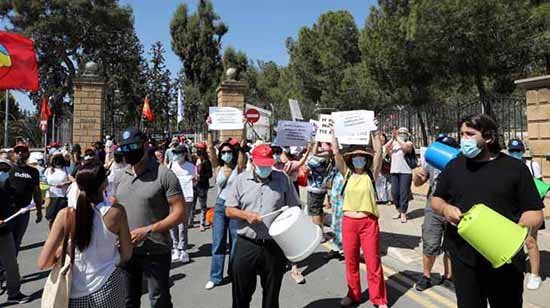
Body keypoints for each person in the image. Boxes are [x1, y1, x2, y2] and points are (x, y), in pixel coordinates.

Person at [432, 114, 544, 308]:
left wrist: (512, 232)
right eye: (461, 134)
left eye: (469, 134)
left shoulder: (515, 168)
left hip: (505, 260)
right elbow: (436, 199)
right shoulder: (454, 166)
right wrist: (445, 208)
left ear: (489, 138)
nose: (463, 139)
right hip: (464, 259)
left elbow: (535, 213)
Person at [38, 163, 133, 308]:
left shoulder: (65, 215)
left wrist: (61, 252)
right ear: (104, 184)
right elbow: (126, 254)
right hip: (109, 285)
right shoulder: (116, 213)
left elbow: (43, 262)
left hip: (75, 291)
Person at [114, 128, 187, 308]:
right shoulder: (120, 176)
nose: (128, 151)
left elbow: (179, 213)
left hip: (156, 250)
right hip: (127, 251)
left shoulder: (164, 175)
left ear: (146, 145)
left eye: (133, 146)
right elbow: (115, 208)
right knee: (128, 300)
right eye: (124, 148)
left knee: (158, 300)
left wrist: (148, 230)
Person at [225, 144, 301, 308]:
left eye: (268, 165)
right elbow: (229, 210)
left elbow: (295, 209)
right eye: (261, 166)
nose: (265, 169)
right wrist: (246, 215)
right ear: (252, 162)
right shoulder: (240, 180)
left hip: (273, 246)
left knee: (271, 295)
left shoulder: (282, 179)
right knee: (241, 294)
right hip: (247, 244)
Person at [332, 133, 388, 308]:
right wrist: (334, 133)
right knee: (351, 260)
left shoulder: (372, 175)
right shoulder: (346, 174)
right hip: (349, 222)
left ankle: (379, 299)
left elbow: (379, 152)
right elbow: (336, 153)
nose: (358, 159)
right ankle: (353, 294)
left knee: (373, 262)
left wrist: (374, 133)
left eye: (361, 157)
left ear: (366, 159)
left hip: (368, 222)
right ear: (351, 159)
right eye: (355, 157)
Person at [413, 134, 458, 291]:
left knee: (452, 245)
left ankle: (448, 277)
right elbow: (419, 182)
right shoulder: (431, 163)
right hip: (433, 207)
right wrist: (416, 176)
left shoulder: (460, 163)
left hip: (453, 206)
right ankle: (426, 276)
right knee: (430, 243)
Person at [204, 130, 247, 290]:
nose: (226, 154)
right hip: (221, 207)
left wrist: (243, 126)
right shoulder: (218, 167)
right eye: (223, 152)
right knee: (218, 242)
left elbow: (242, 149)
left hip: (235, 207)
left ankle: (234, 273)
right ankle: (215, 277)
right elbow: (210, 150)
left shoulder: (239, 167)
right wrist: (209, 130)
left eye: (229, 152)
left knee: (236, 242)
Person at [507, 138, 544, 290]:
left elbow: (540, 187)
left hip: (529, 209)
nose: (515, 153)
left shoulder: (532, 165)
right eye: (512, 151)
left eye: (518, 150)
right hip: (511, 208)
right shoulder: (505, 166)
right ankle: (514, 268)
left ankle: (535, 275)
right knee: (511, 241)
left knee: (530, 241)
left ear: (523, 151)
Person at [0, 159, 31, 304]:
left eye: (5, 170)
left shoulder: (7, 189)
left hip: (5, 231)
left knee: (11, 264)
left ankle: (14, 293)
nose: (2, 173)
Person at [6, 141, 42, 252]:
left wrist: (39, 210)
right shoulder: (7, 169)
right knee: (5, 240)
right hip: (7, 211)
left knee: (17, 241)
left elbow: (37, 192)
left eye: (23, 151)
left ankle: (11, 267)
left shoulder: (33, 172)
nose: (20, 153)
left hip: (23, 212)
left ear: (28, 154)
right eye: (18, 151)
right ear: (14, 154)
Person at [168, 144, 197, 264]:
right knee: (172, 223)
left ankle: (183, 248)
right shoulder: (171, 165)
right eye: (176, 153)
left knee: (183, 225)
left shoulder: (191, 166)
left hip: (187, 197)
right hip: (173, 198)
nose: (177, 156)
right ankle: (174, 247)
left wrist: (194, 181)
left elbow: (195, 182)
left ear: (185, 154)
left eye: (179, 153)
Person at [385, 127, 414, 223]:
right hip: (394, 171)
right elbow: (386, 149)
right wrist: (392, 139)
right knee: (394, 192)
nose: (401, 134)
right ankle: (398, 209)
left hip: (406, 171)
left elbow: (406, 148)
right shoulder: (394, 144)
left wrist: (397, 138)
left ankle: (403, 213)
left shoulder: (409, 143)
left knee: (403, 193)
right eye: (400, 132)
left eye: (403, 133)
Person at [306, 142, 333, 229]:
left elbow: (308, 166)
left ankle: (319, 234)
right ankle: (321, 232)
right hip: (320, 188)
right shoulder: (325, 156)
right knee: (318, 210)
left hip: (315, 188)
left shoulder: (318, 158)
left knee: (315, 212)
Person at [44, 152, 71, 227]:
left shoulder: (66, 169)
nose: (57, 161)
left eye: (58, 159)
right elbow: (43, 182)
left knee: (61, 219)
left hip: (62, 197)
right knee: (51, 218)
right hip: (51, 197)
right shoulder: (48, 170)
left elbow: (72, 180)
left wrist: (64, 184)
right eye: (55, 159)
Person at [325, 168, 345, 260]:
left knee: (344, 224)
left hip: (345, 200)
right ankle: (336, 248)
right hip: (336, 199)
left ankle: (346, 250)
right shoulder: (336, 168)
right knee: (335, 224)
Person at [194, 142, 213, 232]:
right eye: (197, 149)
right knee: (192, 205)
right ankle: (190, 221)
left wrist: (200, 177)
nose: (198, 151)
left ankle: (202, 223)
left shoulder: (206, 161)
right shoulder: (193, 160)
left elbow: (210, 174)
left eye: (200, 149)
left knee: (202, 205)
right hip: (193, 186)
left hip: (202, 186)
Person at [375, 133, 392, 204]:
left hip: (387, 167)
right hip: (379, 169)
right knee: (380, 184)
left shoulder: (388, 147)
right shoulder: (376, 148)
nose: (382, 140)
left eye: (383, 138)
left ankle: (390, 199)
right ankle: (381, 199)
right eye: (380, 139)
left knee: (388, 185)